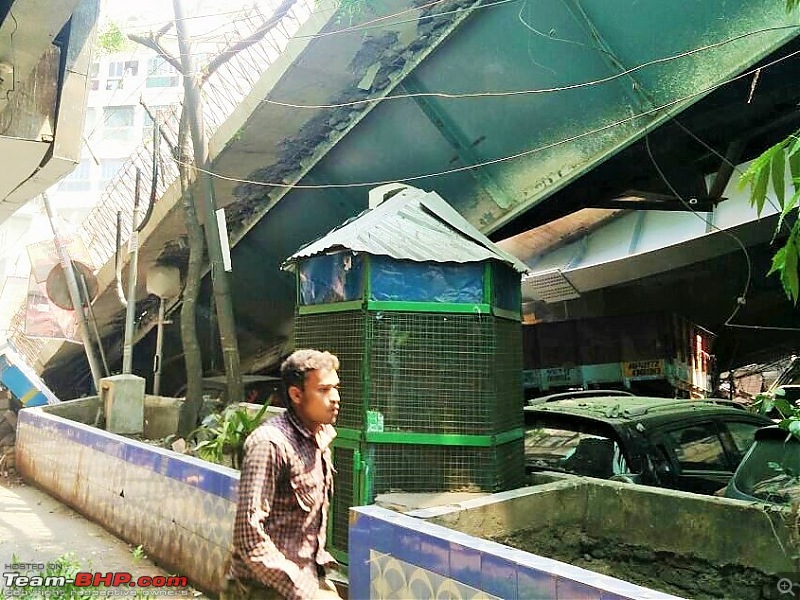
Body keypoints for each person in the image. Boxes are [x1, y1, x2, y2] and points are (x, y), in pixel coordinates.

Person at [222, 349, 342, 600]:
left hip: (306, 576)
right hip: (260, 588)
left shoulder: (321, 437)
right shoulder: (270, 444)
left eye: (336, 388)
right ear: (296, 394)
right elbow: (248, 536)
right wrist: (304, 591)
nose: (335, 397)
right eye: (323, 390)